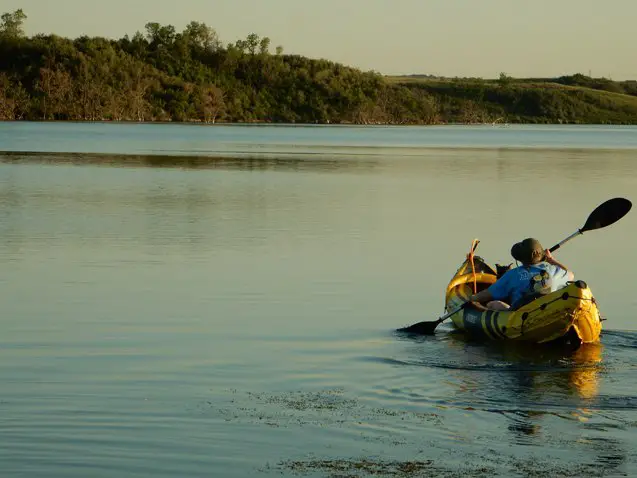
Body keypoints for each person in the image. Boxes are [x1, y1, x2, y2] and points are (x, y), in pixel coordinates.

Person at [468, 238, 574, 310]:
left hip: (520, 314)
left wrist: (472, 298)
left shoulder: (512, 275)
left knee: (492, 303)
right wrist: (551, 260)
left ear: (520, 258)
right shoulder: (554, 271)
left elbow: (487, 294)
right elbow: (570, 275)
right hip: (548, 310)